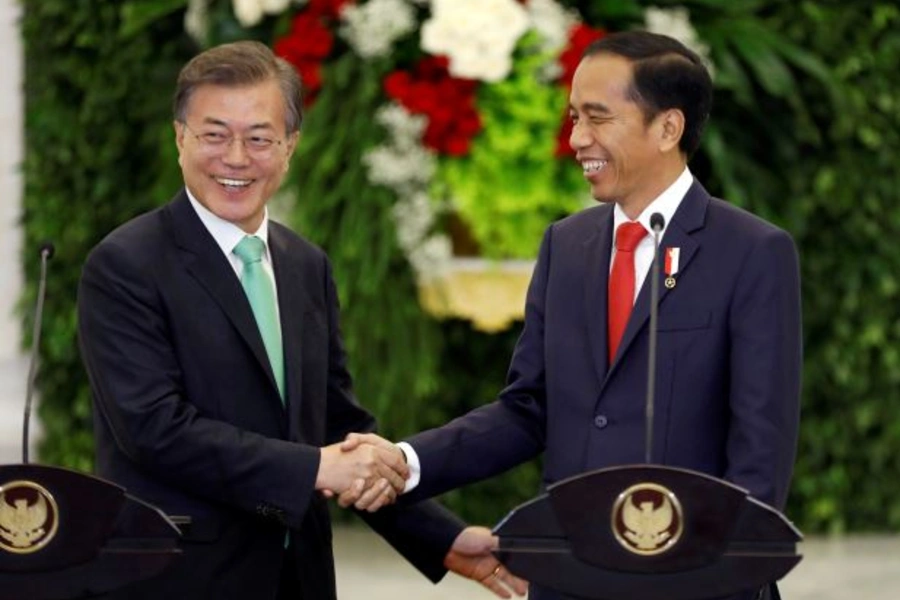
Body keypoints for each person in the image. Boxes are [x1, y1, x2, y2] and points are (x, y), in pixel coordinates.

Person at [342, 31, 802, 600]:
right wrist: (405, 461)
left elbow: (760, 454)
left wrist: (717, 572)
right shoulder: (567, 244)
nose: (577, 137)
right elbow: (527, 411)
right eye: (573, 116)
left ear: (668, 128)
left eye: (597, 117)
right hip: (569, 580)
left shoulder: (752, 251)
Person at [77, 40, 525, 600]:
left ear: (290, 147)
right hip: (176, 580)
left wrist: (443, 539)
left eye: (260, 138)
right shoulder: (126, 264)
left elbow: (338, 428)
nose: (237, 157)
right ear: (179, 138)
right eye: (214, 135)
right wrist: (313, 468)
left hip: (300, 579)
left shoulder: (304, 264)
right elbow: (154, 430)